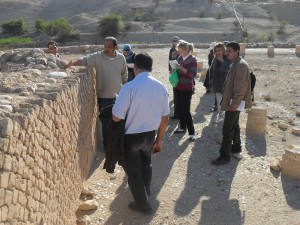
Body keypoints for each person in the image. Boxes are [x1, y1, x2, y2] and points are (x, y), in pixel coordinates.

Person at [112, 53, 169, 214]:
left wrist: (117, 102)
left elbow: (116, 117)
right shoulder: (161, 87)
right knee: (146, 163)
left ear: (135, 68)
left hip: (132, 137)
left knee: (134, 172)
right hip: (150, 135)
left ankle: (143, 205)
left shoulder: (129, 87)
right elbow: (165, 118)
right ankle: (146, 191)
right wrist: (159, 140)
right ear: (151, 68)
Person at [66, 36, 128, 148]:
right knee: (106, 124)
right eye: (105, 46)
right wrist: (73, 62)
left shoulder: (121, 58)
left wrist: (125, 92)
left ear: (115, 47)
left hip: (118, 97)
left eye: (109, 46)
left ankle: (117, 144)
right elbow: (85, 60)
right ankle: (107, 146)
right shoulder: (98, 57)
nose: (106, 48)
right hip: (103, 98)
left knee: (119, 122)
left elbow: (124, 75)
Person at [211, 42, 252, 165]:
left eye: (229, 50)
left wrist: (234, 105)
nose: (227, 52)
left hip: (234, 103)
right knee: (234, 126)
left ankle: (224, 157)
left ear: (237, 52)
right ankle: (236, 147)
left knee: (227, 129)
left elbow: (239, 89)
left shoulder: (241, 66)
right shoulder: (236, 63)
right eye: (227, 50)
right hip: (232, 102)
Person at [173, 40, 197, 141]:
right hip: (178, 86)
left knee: (186, 110)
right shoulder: (179, 58)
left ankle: (192, 132)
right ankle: (182, 127)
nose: (179, 52)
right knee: (179, 108)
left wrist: (181, 67)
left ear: (186, 49)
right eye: (178, 50)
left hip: (187, 88)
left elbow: (193, 75)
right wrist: (173, 70)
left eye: (181, 50)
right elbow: (178, 71)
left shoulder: (192, 59)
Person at [209, 43, 231, 123]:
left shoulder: (228, 58)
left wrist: (222, 61)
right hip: (217, 84)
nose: (218, 52)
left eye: (219, 50)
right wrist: (211, 81)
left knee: (227, 102)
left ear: (223, 50)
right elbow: (211, 71)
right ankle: (221, 116)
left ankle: (228, 117)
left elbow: (230, 69)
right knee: (219, 103)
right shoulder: (214, 59)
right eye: (216, 51)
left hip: (226, 85)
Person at [169, 36, 180, 120]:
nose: (175, 42)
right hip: (174, 72)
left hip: (179, 71)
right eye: (173, 41)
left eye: (176, 41)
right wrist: (170, 69)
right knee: (174, 87)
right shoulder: (171, 50)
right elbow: (169, 60)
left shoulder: (180, 50)